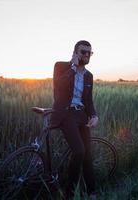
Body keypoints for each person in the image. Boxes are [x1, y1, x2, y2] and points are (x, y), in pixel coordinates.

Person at [50, 40, 99, 198]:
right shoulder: (60, 66)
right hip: (66, 113)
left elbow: (88, 100)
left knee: (87, 154)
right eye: (83, 52)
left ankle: (91, 191)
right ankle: (69, 193)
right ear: (75, 53)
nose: (86, 55)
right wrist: (72, 67)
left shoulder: (89, 76)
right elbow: (59, 85)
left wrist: (94, 115)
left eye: (89, 52)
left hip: (81, 115)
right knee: (79, 151)